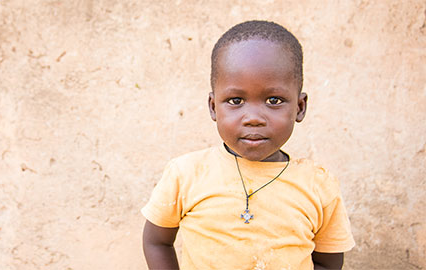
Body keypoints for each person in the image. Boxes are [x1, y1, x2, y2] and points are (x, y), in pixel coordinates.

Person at [141, 20, 355, 269]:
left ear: (299, 107)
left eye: (274, 100)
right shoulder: (185, 174)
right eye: (235, 100)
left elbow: (328, 263)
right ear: (213, 107)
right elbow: (157, 242)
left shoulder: (319, 185)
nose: (253, 118)